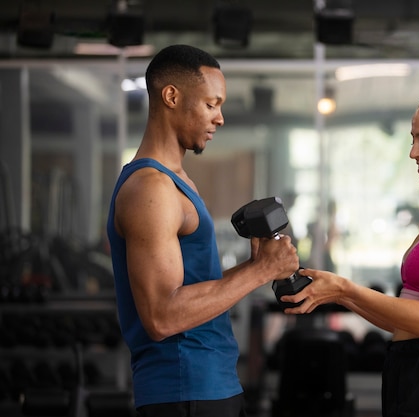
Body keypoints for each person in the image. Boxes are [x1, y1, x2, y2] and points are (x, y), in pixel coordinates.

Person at [281, 82, 419, 417]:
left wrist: (345, 288)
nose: (413, 152)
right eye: (414, 140)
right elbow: (408, 318)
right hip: (413, 368)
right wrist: (338, 295)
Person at [106, 44, 299, 417]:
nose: (220, 118)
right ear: (171, 96)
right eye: (212, 104)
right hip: (183, 390)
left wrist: (252, 267)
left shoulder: (175, 181)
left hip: (208, 384)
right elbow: (162, 316)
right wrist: (260, 272)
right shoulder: (151, 189)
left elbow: (188, 287)